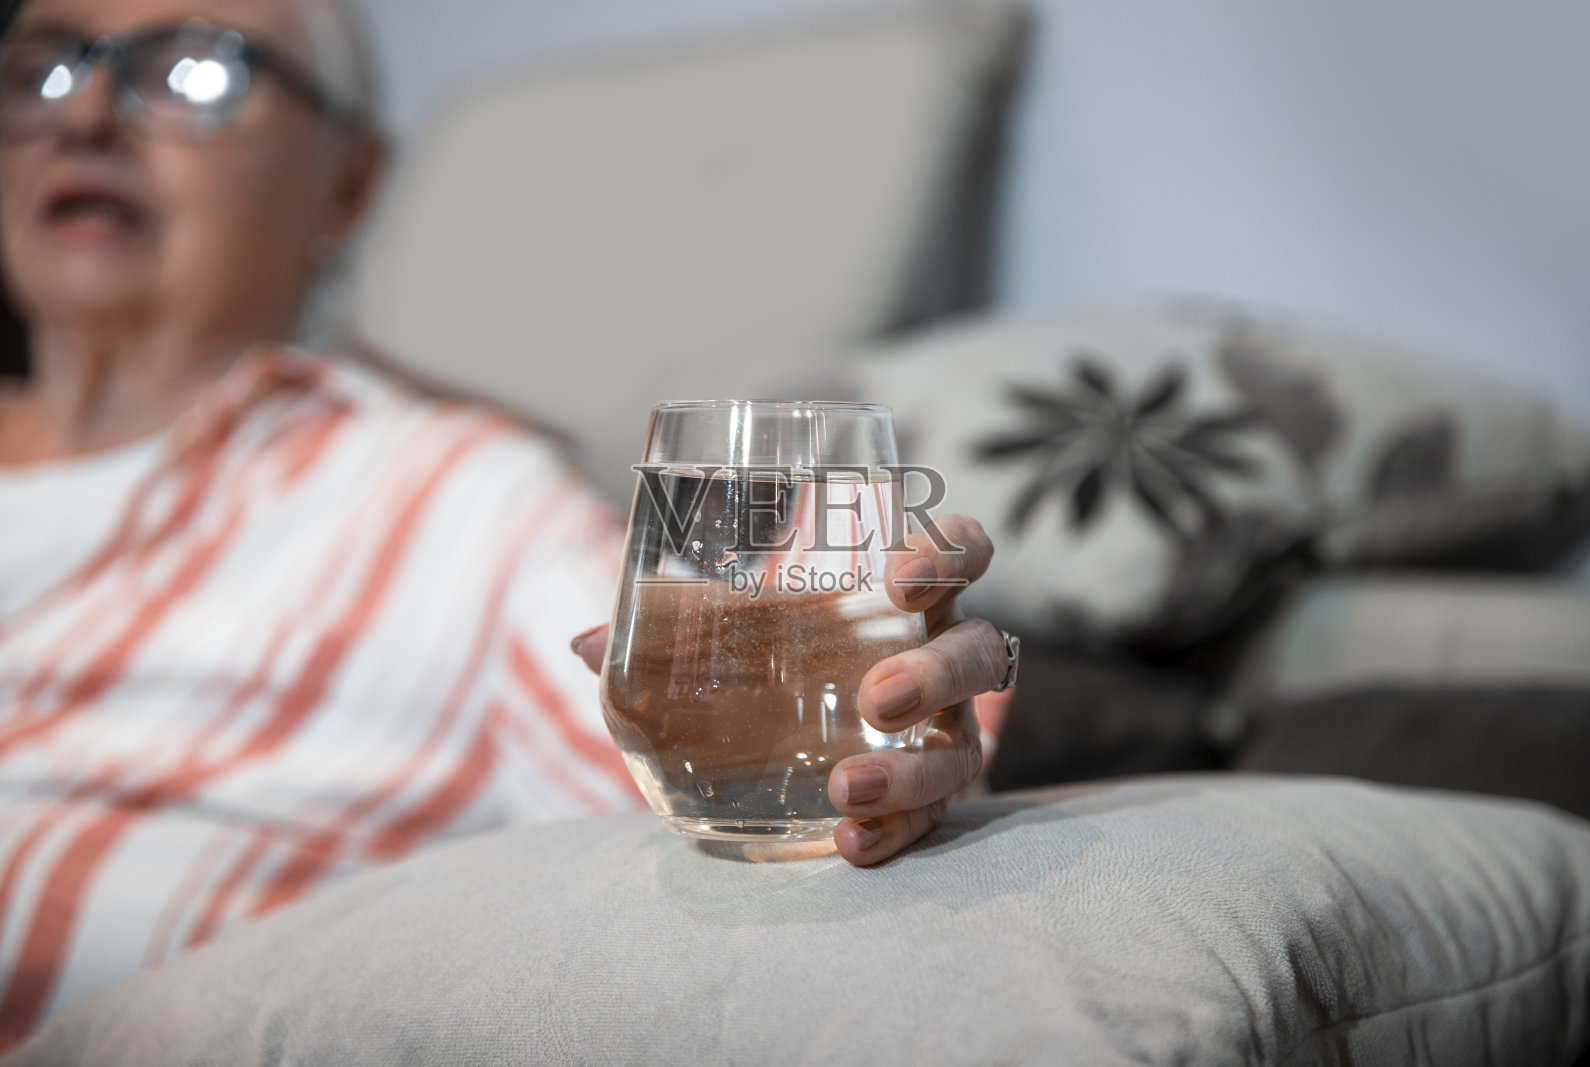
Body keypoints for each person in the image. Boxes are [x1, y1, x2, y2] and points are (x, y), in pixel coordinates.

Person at [0, 0, 1014, 1045]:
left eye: (189, 72)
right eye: (42, 67)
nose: (83, 116)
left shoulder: (446, 492)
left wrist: (906, 711)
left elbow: (734, 725)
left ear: (350, 179)